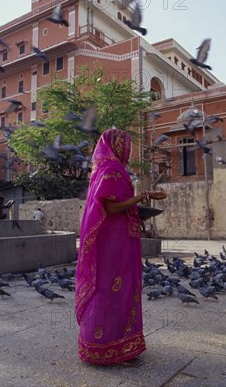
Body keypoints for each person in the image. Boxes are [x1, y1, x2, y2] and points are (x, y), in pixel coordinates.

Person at [75, 129, 166, 366]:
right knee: (111, 291)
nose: (128, 150)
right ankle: (108, 347)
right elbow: (111, 207)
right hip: (112, 245)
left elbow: (115, 208)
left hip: (116, 240)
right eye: (126, 145)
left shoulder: (103, 170)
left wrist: (137, 211)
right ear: (117, 146)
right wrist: (142, 197)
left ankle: (115, 345)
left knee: (114, 289)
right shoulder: (112, 170)